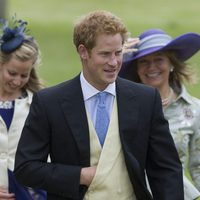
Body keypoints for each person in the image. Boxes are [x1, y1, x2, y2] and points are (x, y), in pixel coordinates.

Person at [14, 10, 184, 200]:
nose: (113, 62)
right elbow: (25, 168)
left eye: (118, 53)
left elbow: (166, 170)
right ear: (83, 52)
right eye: (104, 54)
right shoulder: (49, 102)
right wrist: (80, 175)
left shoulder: (145, 99)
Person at [119, 28, 200, 200]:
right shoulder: (120, 106)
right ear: (136, 68)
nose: (152, 67)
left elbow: (198, 166)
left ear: (171, 64)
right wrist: (116, 57)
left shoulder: (194, 109)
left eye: (159, 60)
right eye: (144, 61)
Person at [0, 18, 46, 199]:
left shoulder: (38, 103)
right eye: (12, 73)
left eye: (24, 75)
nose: (17, 81)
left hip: (29, 191)